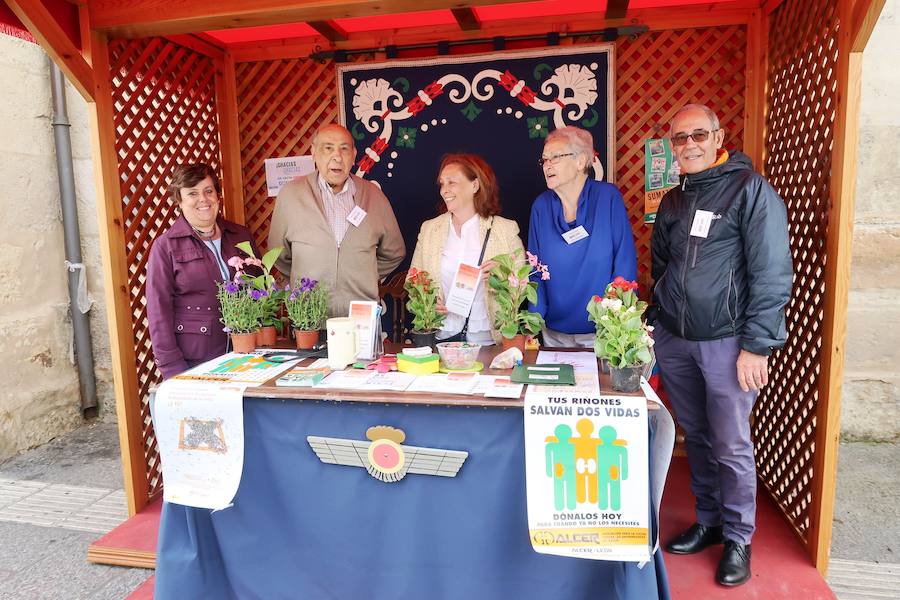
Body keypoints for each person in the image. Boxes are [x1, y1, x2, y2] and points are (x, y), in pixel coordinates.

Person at [651, 104, 792, 586]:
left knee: (731, 443)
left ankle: (738, 537)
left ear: (718, 137)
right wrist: (660, 322)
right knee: (698, 435)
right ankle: (709, 521)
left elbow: (771, 272)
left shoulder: (750, 190)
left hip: (728, 343)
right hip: (677, 340)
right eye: (678, 138)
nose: (687, 144)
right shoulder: (672, 201)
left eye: (697, 135)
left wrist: (757, 344)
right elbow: (662, 267)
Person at [268, 123, 405, 317]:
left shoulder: (373, 195)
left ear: (354, 155)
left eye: (344, 148)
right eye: (328, 148)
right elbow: (278, 254)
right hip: (309, 315)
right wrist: (309, 271)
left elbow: (394, 251)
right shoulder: (291, 195)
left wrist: (365, 273)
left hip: (360, 316)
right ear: (314, 152)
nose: (337, 156)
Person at [146, 163, 260, 379]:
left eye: (209, 191)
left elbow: (260, 291)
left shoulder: (240, 236)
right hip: (196, 362)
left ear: (218, 196)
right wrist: (173, 370)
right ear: (179, 200)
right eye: (192, 193)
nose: (203, 199)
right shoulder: (166, 246)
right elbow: (158, 312)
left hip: (247, 358)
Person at [528, 126, 638, 348]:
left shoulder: (608, 198)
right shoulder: (541, 206)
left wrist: (618, 322)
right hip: (553, 332)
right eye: (544, 160)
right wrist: (534, 321)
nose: (547, 165)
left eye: (555, 158)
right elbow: (534, 270)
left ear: (581, 161)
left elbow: (624, 262)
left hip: (603, 332)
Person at [410, 154, 524, 345]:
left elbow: (523, 282)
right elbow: (413, 280)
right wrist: (427, 302)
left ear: (475, 185)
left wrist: (503, 274)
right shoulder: (430, 229)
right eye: (442, 184)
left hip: (489, 340)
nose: (444, 190)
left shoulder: (505, 229)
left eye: (451, 182)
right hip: (442, 338)